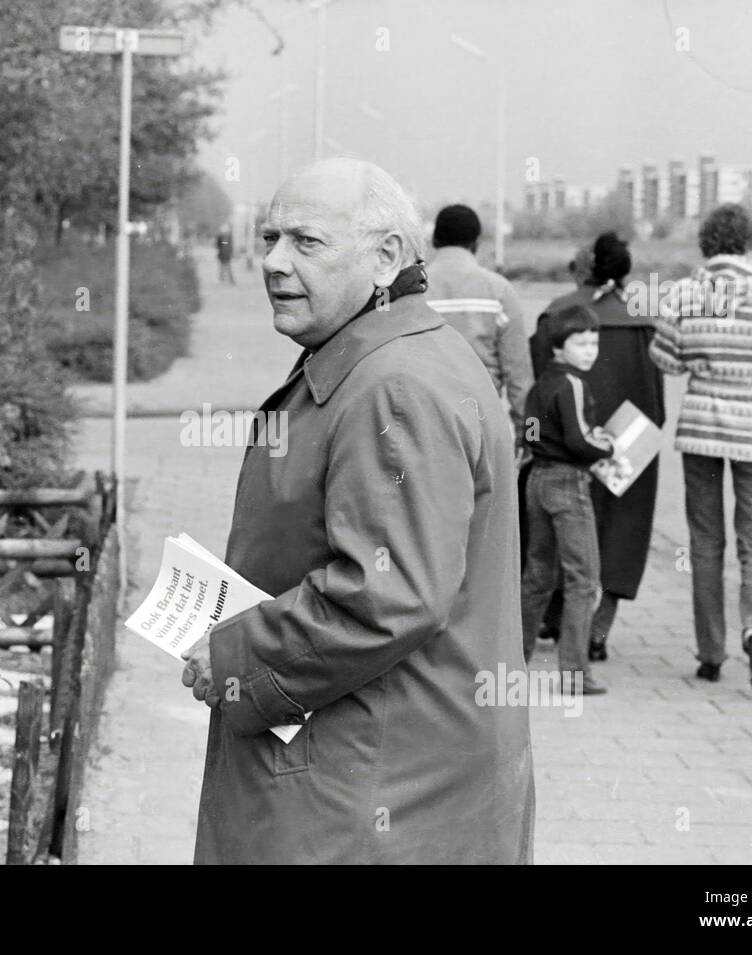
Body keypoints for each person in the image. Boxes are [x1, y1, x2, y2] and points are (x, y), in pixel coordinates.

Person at [180, 158, 534, 864]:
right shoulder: (389, 357)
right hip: (373, 771)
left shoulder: (392, 385)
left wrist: (232, 654)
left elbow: (384, 595)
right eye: (272, 237)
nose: (275, 262)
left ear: (387, 258)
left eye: (306, 243)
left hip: (373, 798)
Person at [650, 204, 752, 694]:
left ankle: (710, 653)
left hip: (701, 427)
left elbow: (665, 357)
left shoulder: (685, 293)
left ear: (708, 241)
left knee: (705, 542)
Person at [530, 233, 665, 660]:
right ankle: (597, 629)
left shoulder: (557, 314)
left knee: (555, 535)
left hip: (564, 445)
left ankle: (554, 619)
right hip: (628, 441)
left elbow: (540, 383)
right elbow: (657, 391)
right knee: (620, 532)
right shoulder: (642, 318)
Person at [520, 304, 618, 694]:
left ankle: (515, 657)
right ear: (560, 347)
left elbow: (528, 433)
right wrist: (606, 446)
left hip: (537, 480)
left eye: (594, 342)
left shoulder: (540, 384)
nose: (590, 350)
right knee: (583, 580)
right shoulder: (573, 385)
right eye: (581, 342)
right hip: (568, 484)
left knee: (537, 576)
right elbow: (580, 437)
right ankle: (576, 674)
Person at [424, 204, 533, 448]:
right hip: (482, 423)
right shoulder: (500, 291)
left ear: (434, 240)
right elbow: (519, 376)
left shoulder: (414, 290)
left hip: (424, 422)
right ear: (476, 243)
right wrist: (528, 436)